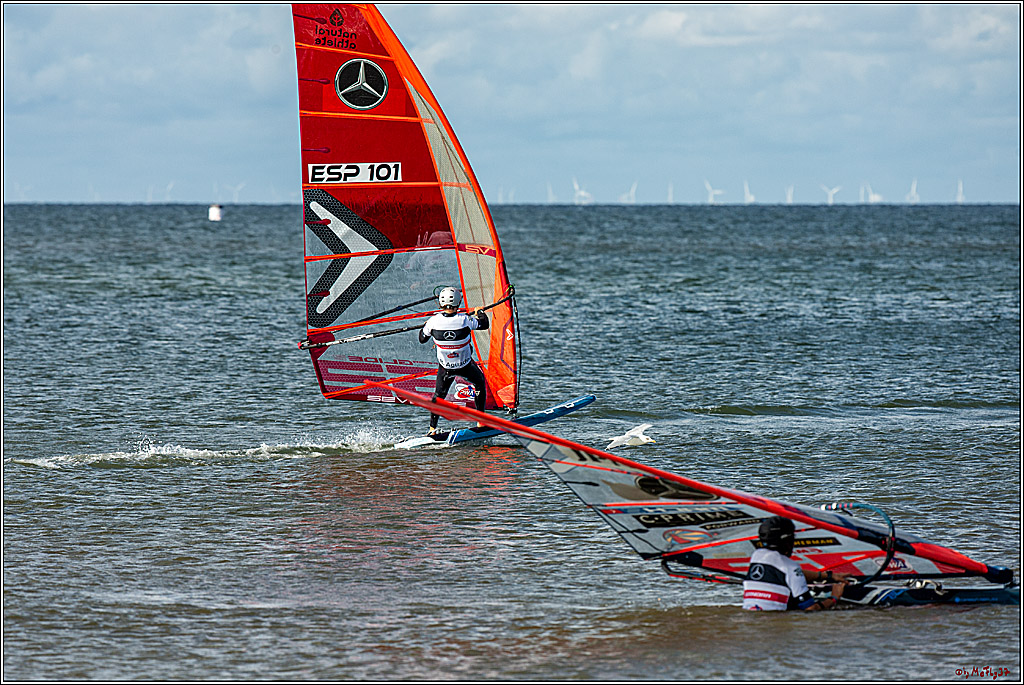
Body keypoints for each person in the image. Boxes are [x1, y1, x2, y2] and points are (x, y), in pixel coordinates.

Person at [419, 286, 489, 434]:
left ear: (440, 304)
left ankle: (432, 429)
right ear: (459, 303)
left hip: (446, 368)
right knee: (480, 383)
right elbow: (484, 324)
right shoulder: (465, 320)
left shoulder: (433, 322)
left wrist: (426, 327)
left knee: (439, 396)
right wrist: (480, 312)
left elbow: (422, 339)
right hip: (465, 366)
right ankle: (481, 422)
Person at [743, 516, 851, 611]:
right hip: (773, 623)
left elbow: (788, 573)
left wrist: (829, 576)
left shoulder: (757, 556)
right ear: (788, 540)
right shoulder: (790, 566)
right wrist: (834, 598)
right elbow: (810, 609)